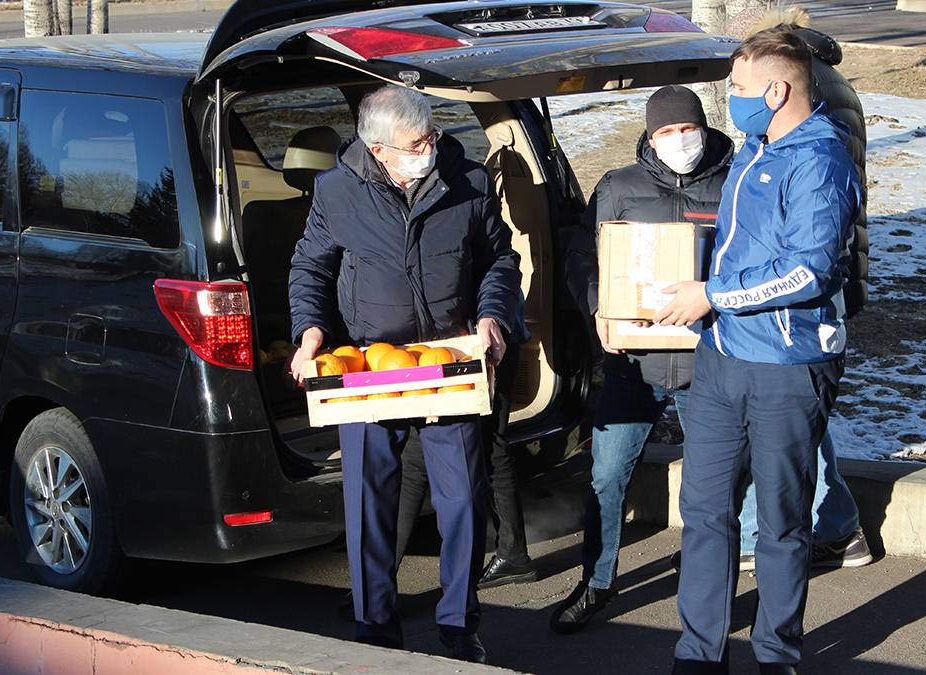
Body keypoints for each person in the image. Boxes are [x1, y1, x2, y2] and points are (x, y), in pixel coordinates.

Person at [287, 85, 521, 664]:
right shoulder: (337, 190)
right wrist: (310, 332)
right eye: (416, 145)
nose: (429, 150)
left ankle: (459, 626)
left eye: (431, 137)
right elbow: (310, 266)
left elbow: (500, 259)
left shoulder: (467, 182)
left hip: (448, 362)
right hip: (369, 365)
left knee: (463, 500)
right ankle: (375, 628)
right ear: (379, 150)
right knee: (369, 504)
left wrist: (492, 316)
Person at [655, 26, 862, 674]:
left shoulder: (821, 160)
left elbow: (807, 272)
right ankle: (698, 653)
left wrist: (713, 294)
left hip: (788, 368)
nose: (732, 100)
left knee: (780, 519)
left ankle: (776, 653)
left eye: (740, 88)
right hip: (723, 358)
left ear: (776, 92)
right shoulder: (754, 146)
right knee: (704, 511)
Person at [549, 85, 735, 634]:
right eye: (666, 131)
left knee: (712, 487)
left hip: (710, 362)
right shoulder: (619, 187)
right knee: (606, 475)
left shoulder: (736, 181)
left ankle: (706, 594)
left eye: (688, 128)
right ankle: (596, 582)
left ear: (704, 127)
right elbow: (583, 257)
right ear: (650, 138)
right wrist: (597, 306)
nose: (679, 140)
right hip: (636, 363)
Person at [396, 291, 537, 588]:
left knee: (419, 456)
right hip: (479, 337)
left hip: (474, 342)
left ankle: (379, 576)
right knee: (489, 445)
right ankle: (513, 553)